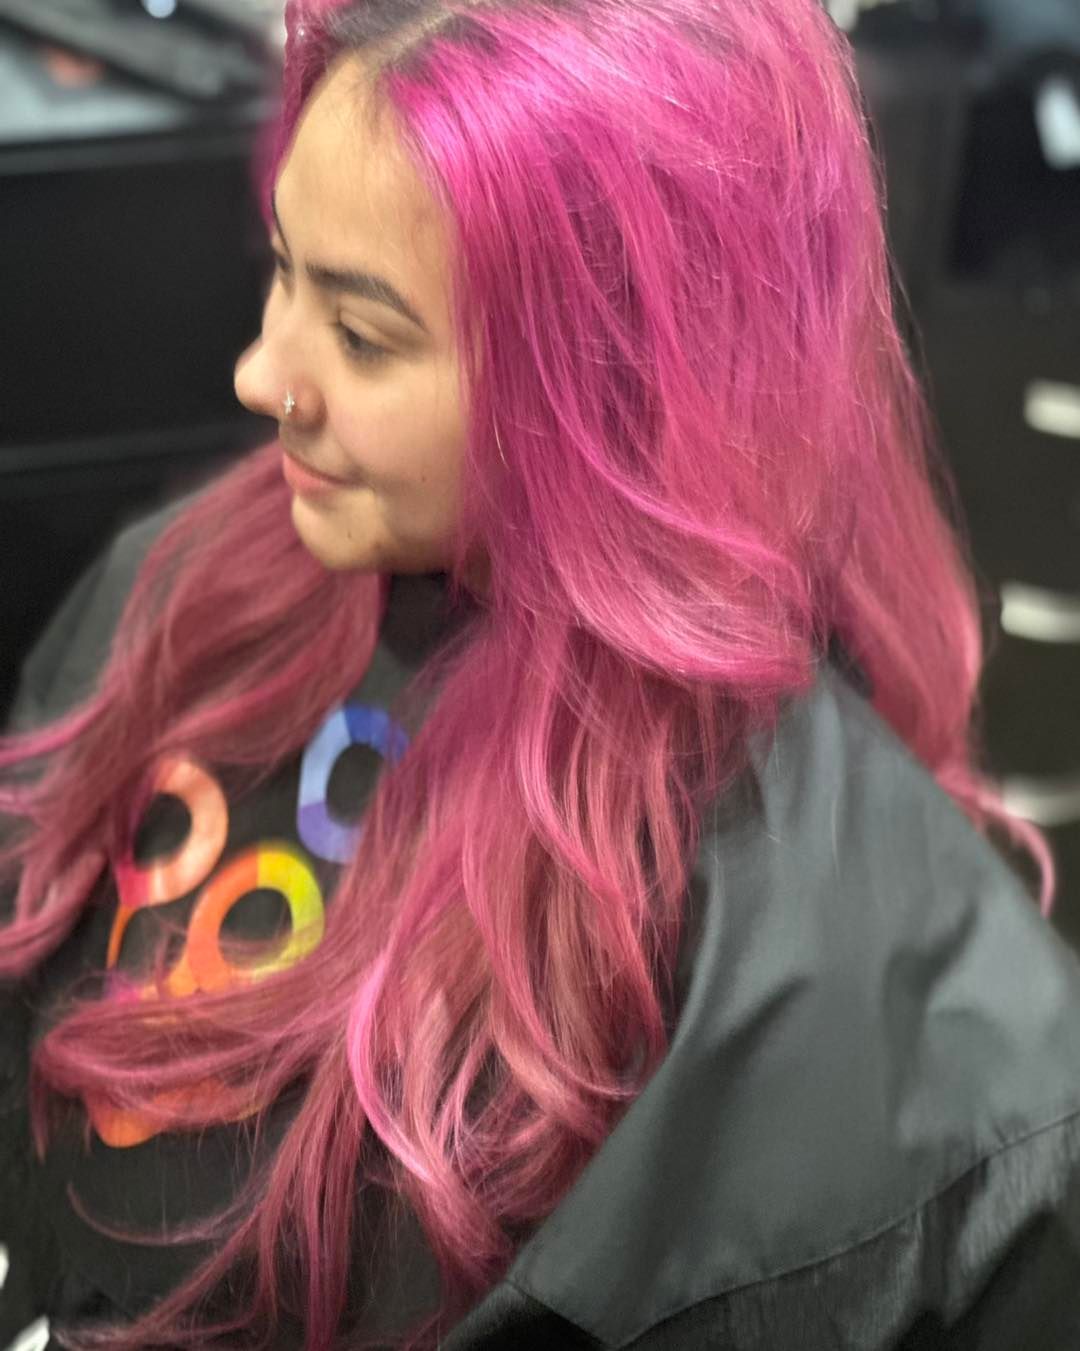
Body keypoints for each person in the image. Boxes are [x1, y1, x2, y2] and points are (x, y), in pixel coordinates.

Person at [3, 0, 1080, 1347]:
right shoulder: (183, 592)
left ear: (624, 378)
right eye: (284, 272)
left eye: (366, 333)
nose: (262, 372)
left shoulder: (913, 1028)